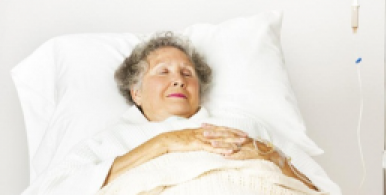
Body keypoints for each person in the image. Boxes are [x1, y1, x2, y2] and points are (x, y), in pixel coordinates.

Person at [22, 32, 320, 195]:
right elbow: (51, 190)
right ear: (135, 92)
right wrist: (163, 144)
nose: (179, 79)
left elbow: (317, 188)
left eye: (187, 73)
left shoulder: (244, 126)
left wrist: (270, 156)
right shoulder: (111, 140)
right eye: (163, 72)